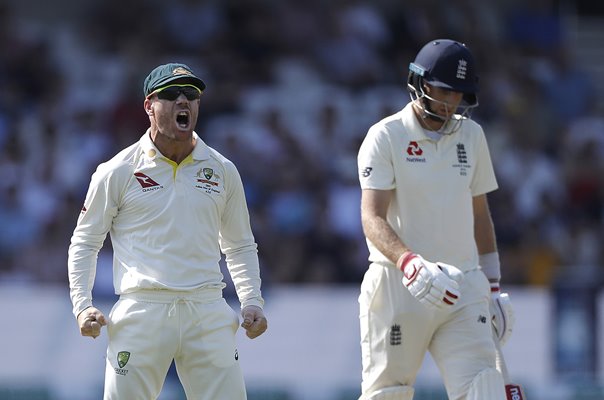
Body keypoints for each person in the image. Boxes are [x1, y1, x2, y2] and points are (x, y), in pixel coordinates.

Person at [68, 62, 267, 400]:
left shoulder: (222, 170)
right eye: (171, 95)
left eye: (191, 94)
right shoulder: (117, 170)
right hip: (143, 309)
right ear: (149, 106)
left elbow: (239, 245)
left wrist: (251, 301)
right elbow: (85, 242)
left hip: (206, 307)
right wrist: (82, 305)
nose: (183, 101)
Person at [356, 39, 515, 400]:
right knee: (388, 394)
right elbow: (371, 216)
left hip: (463, 285)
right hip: (401, 285)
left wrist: (492, 286)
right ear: (422, 83)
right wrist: (409, 262)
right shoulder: (386, 136)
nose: (451, 102)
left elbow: (480, 214)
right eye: (445, 90)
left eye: (459, 94)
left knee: (485, 389)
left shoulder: (472, 136)